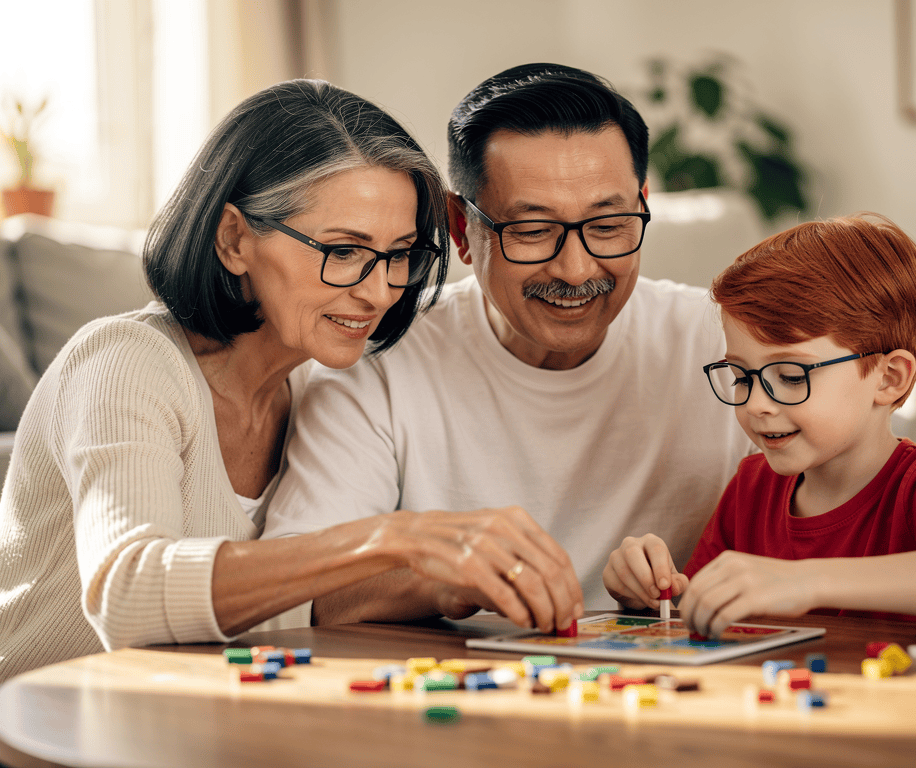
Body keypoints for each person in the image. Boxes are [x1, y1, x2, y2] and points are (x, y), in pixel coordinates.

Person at [0, 79, 583, 683]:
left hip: (178, 728)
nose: (379, 290)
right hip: (35, 733)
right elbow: (128, 597)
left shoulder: (319, 385)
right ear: (233, 239)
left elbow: (281, 611)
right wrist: (392, 537)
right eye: (344, 249)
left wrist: (448, 582)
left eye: (400, 253)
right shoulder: (124, 363)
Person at [264, 63, 753, 618]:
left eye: (609, 224)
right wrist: (450, 579)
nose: (575, 268)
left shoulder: (726, 347)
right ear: (459, 229)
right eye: (532, 231)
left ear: (643, 204)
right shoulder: (377, 358)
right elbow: (299, 588)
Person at [603, 213, 916, 636]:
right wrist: (649, 594)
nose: (757, 404)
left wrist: (807, 581)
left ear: (889, 377)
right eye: (743, 377)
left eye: (790, 376)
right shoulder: (751, 490)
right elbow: (697, 617)